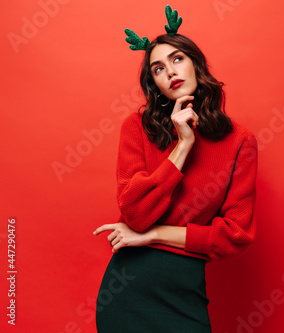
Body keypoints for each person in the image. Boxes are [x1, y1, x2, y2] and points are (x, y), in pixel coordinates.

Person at [93, 5, 257, 332]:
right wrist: (182, 146)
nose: (170, 71)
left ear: (196, 63)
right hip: (128, 291)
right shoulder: (138, 127)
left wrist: (152, 236)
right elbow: (136, 213)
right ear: (155, 84)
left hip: (185, 292)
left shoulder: (239, 140)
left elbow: (235, 236)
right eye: (158, 68)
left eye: (177, 59)